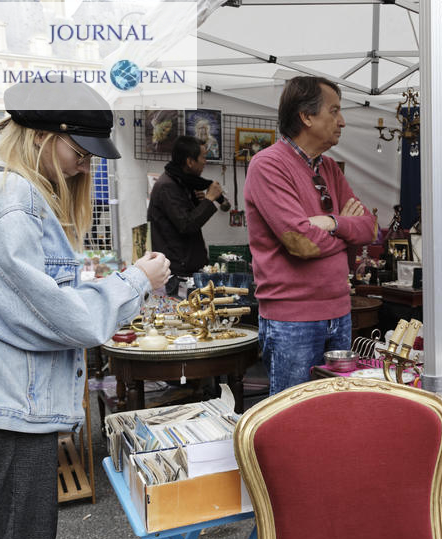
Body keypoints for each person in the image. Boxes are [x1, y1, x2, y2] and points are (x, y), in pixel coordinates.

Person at [0, 81, 170, 539]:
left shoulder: (16, 195)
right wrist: (137, 279)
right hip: (13, 412)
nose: (82, 167)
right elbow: (59, 315)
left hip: (13, 405)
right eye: (79, 152)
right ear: (44, 138)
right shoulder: (16, 201)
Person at [244, 76, 377, 395]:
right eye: (334, 111)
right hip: (293, 319)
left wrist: (332, 223)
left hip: (339, 312)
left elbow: (370, 229)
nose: (342, 121)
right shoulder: (268, 165)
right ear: (306, 116)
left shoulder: (329, 168)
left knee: (334, 412)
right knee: (293, 417)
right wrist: (347, 227)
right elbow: (300, 242)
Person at [147, 135, 228, 296]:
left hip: (185, 269)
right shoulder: (168, 187)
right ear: (190, 161)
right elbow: (186, 225)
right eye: (203, 158)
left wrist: (199, 203)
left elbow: (185, 219)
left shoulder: (181, 183)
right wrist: (209, 199)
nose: (205, 162)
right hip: (177, 274)